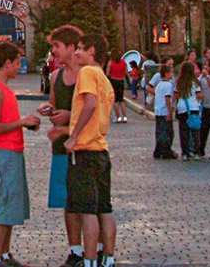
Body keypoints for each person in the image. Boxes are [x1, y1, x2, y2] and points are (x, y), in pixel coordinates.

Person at [0, 41, 40, 267]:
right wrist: (22, 122)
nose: (19, 66)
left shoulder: (4, 88)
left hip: (13, 151)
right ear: (6, 63)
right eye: (17, 63)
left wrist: (25, 124)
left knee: (12, 206)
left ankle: (5, 255)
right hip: (3, 153)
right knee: (5, 204)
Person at [66, 33, 117, 267]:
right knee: (104, 208)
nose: (76, 52)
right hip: (101, 150)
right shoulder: (105, 79)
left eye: (80, 48)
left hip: (85, 150)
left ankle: (89, 260)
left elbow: (90, 103)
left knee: (87, 210)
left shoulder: (86, 72)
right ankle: (108, 257)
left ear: (92, 51)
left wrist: (73, 136)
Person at [43, 26, 86, 267]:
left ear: (70, 47)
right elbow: (53, 105)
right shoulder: (55, 77)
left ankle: (96, 249)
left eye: (57, 46)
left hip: (83, 146)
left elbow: (94, 112)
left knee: (87, 202)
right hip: (60, 148)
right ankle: (75, 250)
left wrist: (68, 117)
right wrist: (49, 112)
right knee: (68, 203)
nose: (53, 52)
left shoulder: (87, 74)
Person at [174, 61, 203, 161]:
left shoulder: (179, 82)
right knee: (195, 132)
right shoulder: (194, 82)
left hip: (182, 108)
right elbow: (199, 95)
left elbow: (176, 95)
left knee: (183, 132)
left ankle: (185, 153)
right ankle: (196, 153)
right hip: (193, 108)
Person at [152, 63, 175, 160]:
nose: (172, 74)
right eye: (171, 72)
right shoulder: (168, 85)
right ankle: (166, 150)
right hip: (164, 110)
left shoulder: (159, 85)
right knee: (168, 132)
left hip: (158, 110)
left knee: (159, 131)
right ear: (166, 74)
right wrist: (170, 111)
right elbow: (167, 98)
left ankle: (158, 150)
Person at [104, 53, 127, 123]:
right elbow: (126, 72)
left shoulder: (111, 62)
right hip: (121, 81)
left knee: (115, 100)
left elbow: (107, 73)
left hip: (114, 80)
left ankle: (118, 117)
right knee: (121, 100)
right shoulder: (123, 62)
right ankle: (125, 117)